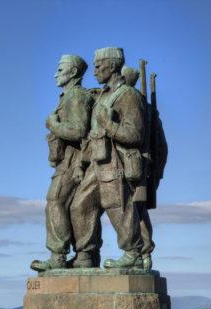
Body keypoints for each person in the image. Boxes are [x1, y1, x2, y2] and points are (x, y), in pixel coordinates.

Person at [69, 47, 144, 269]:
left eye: (98, 66)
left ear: (111, 66)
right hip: (96, 161)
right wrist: (81, 163)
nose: (94, 71)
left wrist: (109, 125)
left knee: (117, 207)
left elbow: (135, 134)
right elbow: (92, 133)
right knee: (79, 206)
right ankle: (86, 255)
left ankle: (133, 254)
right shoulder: (102, 95)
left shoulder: (128, 95)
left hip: (116, 161)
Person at [30, 54, 93, 272]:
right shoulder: (68, 97)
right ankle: (84, 256)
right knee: (75, 208)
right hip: (67, 161)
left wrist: (53, 125)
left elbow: (78, 130)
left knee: (55, 200)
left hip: (73, 160)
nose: (56, 74)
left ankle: (57, 256)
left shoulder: (75, 96)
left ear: (73, 72)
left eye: (60, 69)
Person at [121, 65, 155, 268]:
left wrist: (154, 171)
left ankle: (144, 254)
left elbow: (159, 145)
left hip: (138, 166)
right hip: (121, 164)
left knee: (137, 208)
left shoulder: (141, 105)